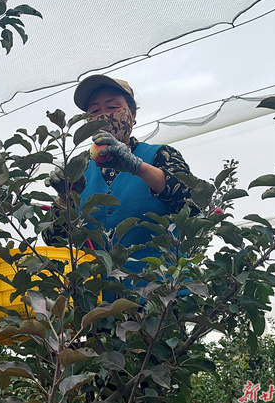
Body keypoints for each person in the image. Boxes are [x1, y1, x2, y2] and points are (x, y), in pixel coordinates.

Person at [44, 75, 193, 299]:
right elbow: (52, 239)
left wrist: (137, 166)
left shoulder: (158, 155)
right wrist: (64, 198)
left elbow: (190, 200)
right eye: (94, 112)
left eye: (113, 106)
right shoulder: (79, 169)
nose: (104, 116)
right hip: (98, 305)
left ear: (132, 113)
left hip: (160, 297)